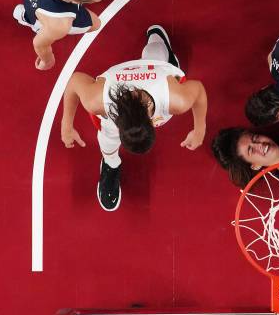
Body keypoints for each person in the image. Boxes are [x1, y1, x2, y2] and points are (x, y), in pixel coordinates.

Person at [60, 25, 208, 211]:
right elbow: (73, 82)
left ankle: (159, 43)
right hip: (131, 82)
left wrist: (200, 129)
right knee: (107, 142)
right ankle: (111, 164)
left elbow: (199, 91)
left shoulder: (177, 98)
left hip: (159, 69)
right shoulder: (97, 99)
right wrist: (66, 124)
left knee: (154, 50)